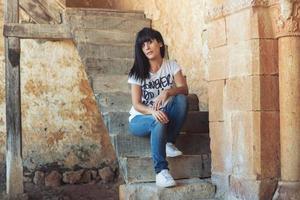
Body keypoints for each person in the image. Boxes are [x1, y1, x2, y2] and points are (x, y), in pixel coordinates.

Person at [128, 27, 189, 188]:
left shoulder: (171, 65)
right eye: (142, 45)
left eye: (149, 42)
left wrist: (168, 92)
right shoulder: (137, 72)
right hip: (140, 118)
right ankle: (161, 172)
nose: (146, 47)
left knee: (182, 99)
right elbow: (137, 104)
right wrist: (152, 111)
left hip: (164, 113)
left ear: (160, 43)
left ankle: (168, 141)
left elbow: (184, 89)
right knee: (158, 120)